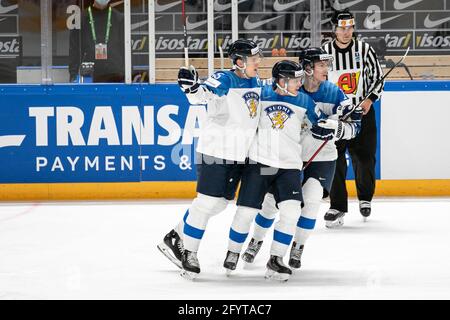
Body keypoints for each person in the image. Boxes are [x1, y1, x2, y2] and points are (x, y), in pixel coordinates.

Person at [240, 48, 362, 268]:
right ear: (307, 68)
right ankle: (256, 240)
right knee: (269, 204)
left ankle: (297, 246)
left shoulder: (334, 93)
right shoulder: (283, 86)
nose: (327, 70)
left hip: (321, 157)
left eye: (327, 64)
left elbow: (354, 128)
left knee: (311, 202)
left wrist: (338, 128)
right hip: (286, 156)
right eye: (322, 65)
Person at [156, 39, 263, 280]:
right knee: (205, 203)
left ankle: (175, 236)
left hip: (239, 155)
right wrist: (191, 88)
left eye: (258, 57)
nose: (258, 62)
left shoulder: (255, 81)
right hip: (216, 152)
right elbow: (202, 95)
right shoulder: (224, 78)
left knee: (219, 204)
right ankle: (189, 254)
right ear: (238, 62)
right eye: (253, 58)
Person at [222, 60, 319, 281]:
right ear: (281, 81)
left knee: (291, 212)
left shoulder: (305, 100)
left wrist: (327, 127)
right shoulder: (261, 94)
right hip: (261, 164)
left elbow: (318, 121)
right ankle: (233, 251)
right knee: (246, 211)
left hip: (290, 168)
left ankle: (276, 259)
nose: (299, 83)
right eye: (294, 80)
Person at [322, 9, 384, 226]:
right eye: (342, 27)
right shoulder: (325, 52)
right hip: (337, 116)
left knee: (365, 158)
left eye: (350, 27)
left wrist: (369, 100)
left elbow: (377, 78)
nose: (346, 32)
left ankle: (365, 197)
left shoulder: (364, 49)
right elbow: (320, 82)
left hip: (362, 113)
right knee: (335, 160)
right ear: (334, 29)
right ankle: (337, 206)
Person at [69, 0, 125, 83]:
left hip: (115, 74)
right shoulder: (81, 19)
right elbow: (74, 50)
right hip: (89, 74)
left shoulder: (119, 18)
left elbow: (125, 48)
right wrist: (73, 76)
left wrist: (129, 75)